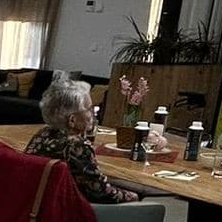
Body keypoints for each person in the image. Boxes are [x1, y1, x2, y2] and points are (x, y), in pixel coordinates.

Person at [24, 74, 141, 204]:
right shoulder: (77, 145)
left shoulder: (43, 134)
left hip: (37, 203)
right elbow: (100, 192)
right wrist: (133, 196)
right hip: (67, 211)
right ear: (72, 120)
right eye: (89, 109)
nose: (93, 113)